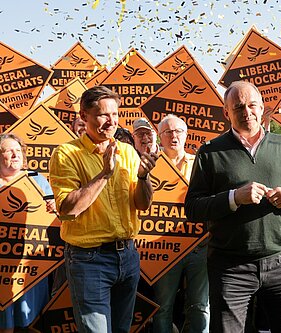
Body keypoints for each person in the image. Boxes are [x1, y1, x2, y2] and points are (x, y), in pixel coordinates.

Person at [185, 81, 281, 332]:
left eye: (252, 105)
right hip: (230, 267)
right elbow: (193, 208)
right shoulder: (210, 152)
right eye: (239, 107)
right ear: (226, 112)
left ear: (262, 107)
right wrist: (234, 198)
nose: (247, 111)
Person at [49, 86, 158, 333]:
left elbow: (142, 204)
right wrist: (104, 174)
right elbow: (67, 210)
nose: (111, 121)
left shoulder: (128, 151)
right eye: (102, 115)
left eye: (115, 114)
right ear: (84, 116)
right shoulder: (67, 154)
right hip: (89, 260)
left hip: (128, 257)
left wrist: (143, 177)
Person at [153, 114, 209, 333]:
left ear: (186, 135)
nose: (173, 136)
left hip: (198, 246)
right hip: (164, 246)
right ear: (160, 136)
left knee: (200, 306)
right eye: (168, 132)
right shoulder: (151, 165)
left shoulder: (200, 164)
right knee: (162, 306)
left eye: (178, 131)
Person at [0, 133, 56, 333]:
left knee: (28, 321)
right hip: (2, 266)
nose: (15, 155)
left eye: (18, 150)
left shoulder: (36, 179)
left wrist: (53, 206)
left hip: (30, 266)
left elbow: (54, 216)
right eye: (8, 150)